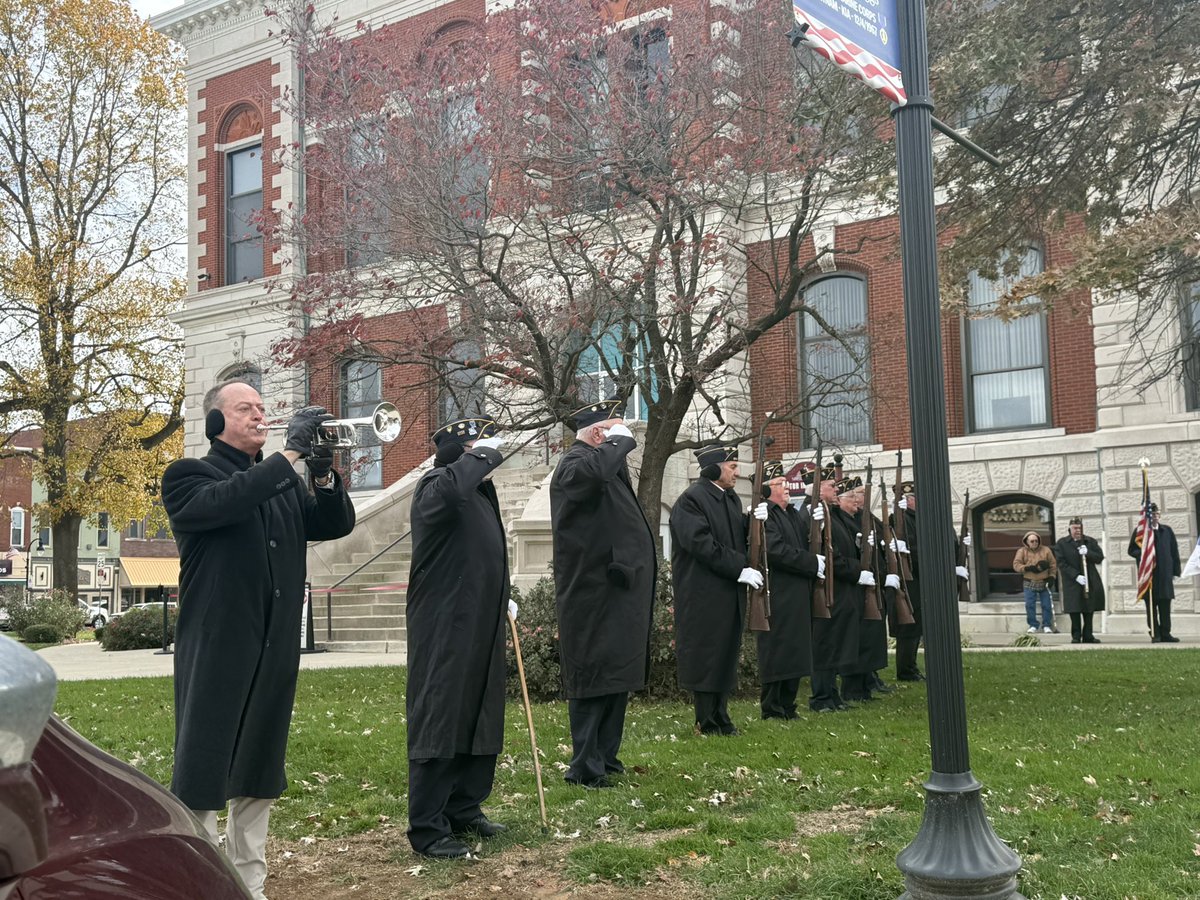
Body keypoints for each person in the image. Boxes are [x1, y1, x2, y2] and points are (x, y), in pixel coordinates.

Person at [162, 379, 356, 899]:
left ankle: (250, 885)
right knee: (204, 765)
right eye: (246, 409)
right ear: (214, 422)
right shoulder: (188, 476)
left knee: (259, 767)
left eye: (262, 409)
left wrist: (323, 473)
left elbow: (334, 525)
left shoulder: (283, 483)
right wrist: (290, 453)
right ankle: (201, 883)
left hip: (274, 645)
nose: (259, 416)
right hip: (219, 644)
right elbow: (226, 503)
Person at [405, 416, 511, 859]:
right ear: (459, 452)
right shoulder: (435, 485)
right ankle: (428, 826)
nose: (485, 456)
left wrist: (503, 594)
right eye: (477, 448)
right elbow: (446, 494)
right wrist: (482, 454)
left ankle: (464, 806)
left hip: (482, 614)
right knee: (442, 714)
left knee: (479, 712)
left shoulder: (480, 494)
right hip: (444, 620)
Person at [551, 398, 656, 788]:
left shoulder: (600, 461)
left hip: (616, 592)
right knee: (595, 678)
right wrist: (618, 442)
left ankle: (606, 758)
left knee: (616, 677)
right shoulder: (575, 463)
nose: (623, 439)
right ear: (598, 434)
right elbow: (591, 478)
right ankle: (584, 766)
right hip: (591, 594)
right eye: (613, 430)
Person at [670, 444, 766, 735]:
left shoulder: (730, 498)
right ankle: (707, 720)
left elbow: (734, 535)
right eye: (732, 466)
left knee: (724, 654)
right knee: (707, 655)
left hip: (726, 589)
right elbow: (702, 545)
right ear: (713, 468)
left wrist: (754, 521)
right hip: (702, 593)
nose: (737, 472)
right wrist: (740, 568)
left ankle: (720, 716)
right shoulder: (691, 500)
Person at [754, 460, 818, 720]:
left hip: (798, 592)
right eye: (780, 483)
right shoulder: (766, 514)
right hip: (779, 593)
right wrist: (811, 564)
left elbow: (805, 542)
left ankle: (789, 705)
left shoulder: (791, 513)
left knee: (795, 651)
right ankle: (772, 707)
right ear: (768, 489)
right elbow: (776, 550)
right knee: (777, 651)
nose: (787, 486)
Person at [800, 466, 863, 713]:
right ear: (817, 489)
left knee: (834, 643)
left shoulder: (829, 512)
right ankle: (821, 696)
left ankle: (832, 694)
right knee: (824, 643)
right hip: (824, 588)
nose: (836, 489)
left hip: (838, 587)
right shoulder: (810, 514)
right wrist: (855, 568)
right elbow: (823, 554)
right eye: (831, 486)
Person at [1127, 503, 1181, 642]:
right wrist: (1144, 554)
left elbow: (1174, 551)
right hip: (1150, 576)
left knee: (1165, 606)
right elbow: (1131, 550)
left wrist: (1175, 571)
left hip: (1164, 575)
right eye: (1152, 515)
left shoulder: (1167, 530)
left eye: (1157, 514)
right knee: (1152, 606)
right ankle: (1155, 633)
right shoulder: (1141, 532)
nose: (1155, 517)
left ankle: (1165, 633)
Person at [1052, 517, 1105, 644]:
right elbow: (1061, 563)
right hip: (1072, 582)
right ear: (1069, 529)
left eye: (1079, 528)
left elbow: (1099, 557)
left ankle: (1088, 635)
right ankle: (1076, 636)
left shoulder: (1089, 541)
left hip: (1089, 579)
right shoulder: (1062, 544)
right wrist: (1075, 575)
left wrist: (1088, 553)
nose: (1077, 530)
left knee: (1089, 608)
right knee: (1075, 610)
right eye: (1075, 528)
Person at [891, 481, 923, 681]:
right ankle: (905, 670)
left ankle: (911, 667)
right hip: (906, 581)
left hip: (917, 578)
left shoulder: (916, 518)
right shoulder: (898, 519)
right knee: (908, 628)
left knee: (916, 626)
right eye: (913, 498)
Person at [1012, 532, 1057, 634]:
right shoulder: (1022, 551)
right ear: (1027, 542)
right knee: (1029, 605)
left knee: (1047, 605)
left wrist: (1052, 577)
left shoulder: (1046, 550)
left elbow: (1053, 565)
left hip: (1044, 582)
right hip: (1029, 581)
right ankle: (1033, 625)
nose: (1034, 543)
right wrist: (1027, 568)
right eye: (1032, 541)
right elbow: (1016, 565)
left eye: (1036, 541)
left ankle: (1046, 625)